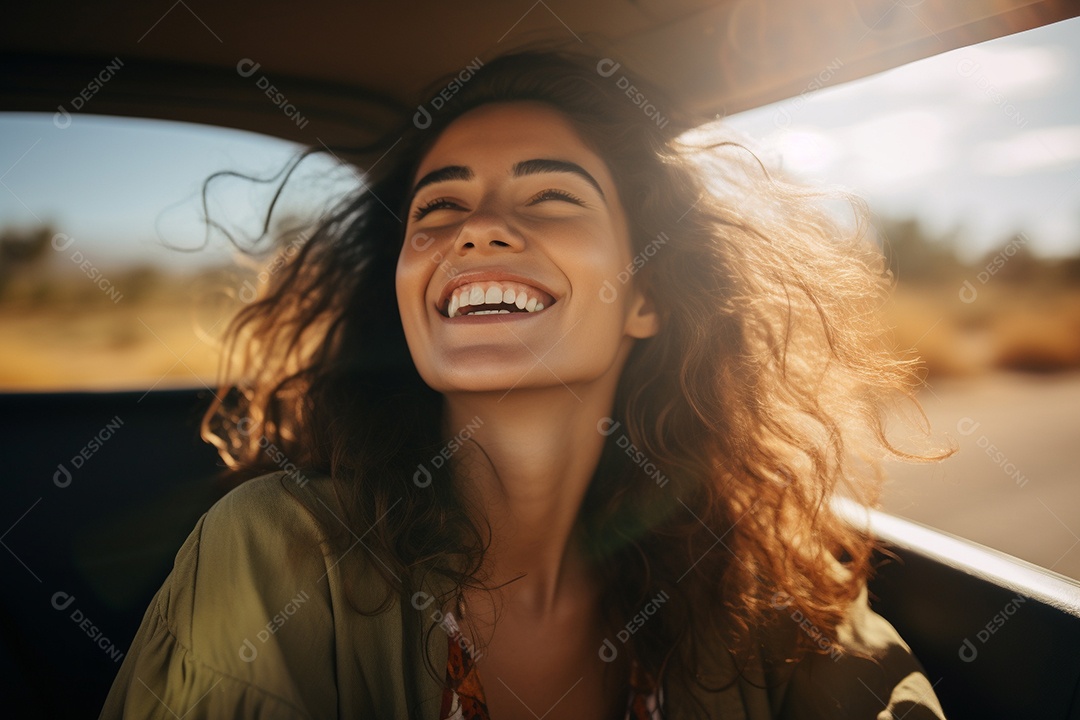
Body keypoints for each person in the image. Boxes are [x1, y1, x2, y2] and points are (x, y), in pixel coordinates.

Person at [100, 49, 949, 719]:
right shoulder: (278, 554)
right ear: (403, 293)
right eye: (437, 209)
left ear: (646, 292)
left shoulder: (749, 582)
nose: (478, 230)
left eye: (550, 198)